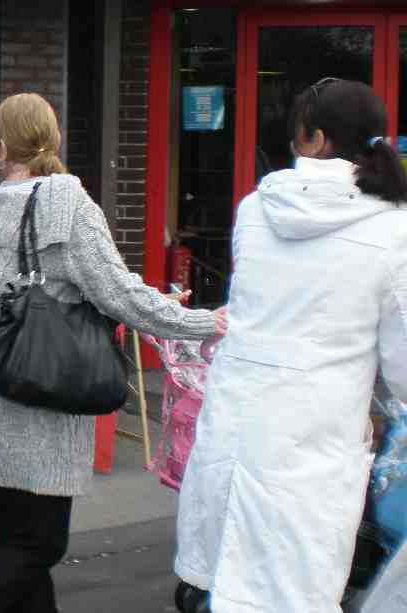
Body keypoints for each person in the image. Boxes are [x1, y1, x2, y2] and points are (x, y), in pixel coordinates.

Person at [0, 92, 226, 613]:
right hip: (33, 394)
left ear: (2, 144)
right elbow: (119, 294)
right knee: (40, 544)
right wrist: (201, 322)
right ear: (52, 136)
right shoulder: (67, 206)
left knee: (17, 543)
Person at [174, 79, 407, 613]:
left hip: (239, 418)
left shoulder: (256, 209)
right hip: (315, 435)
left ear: (315, 139)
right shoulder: (394, 230)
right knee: (290, 584)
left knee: (224, 577)